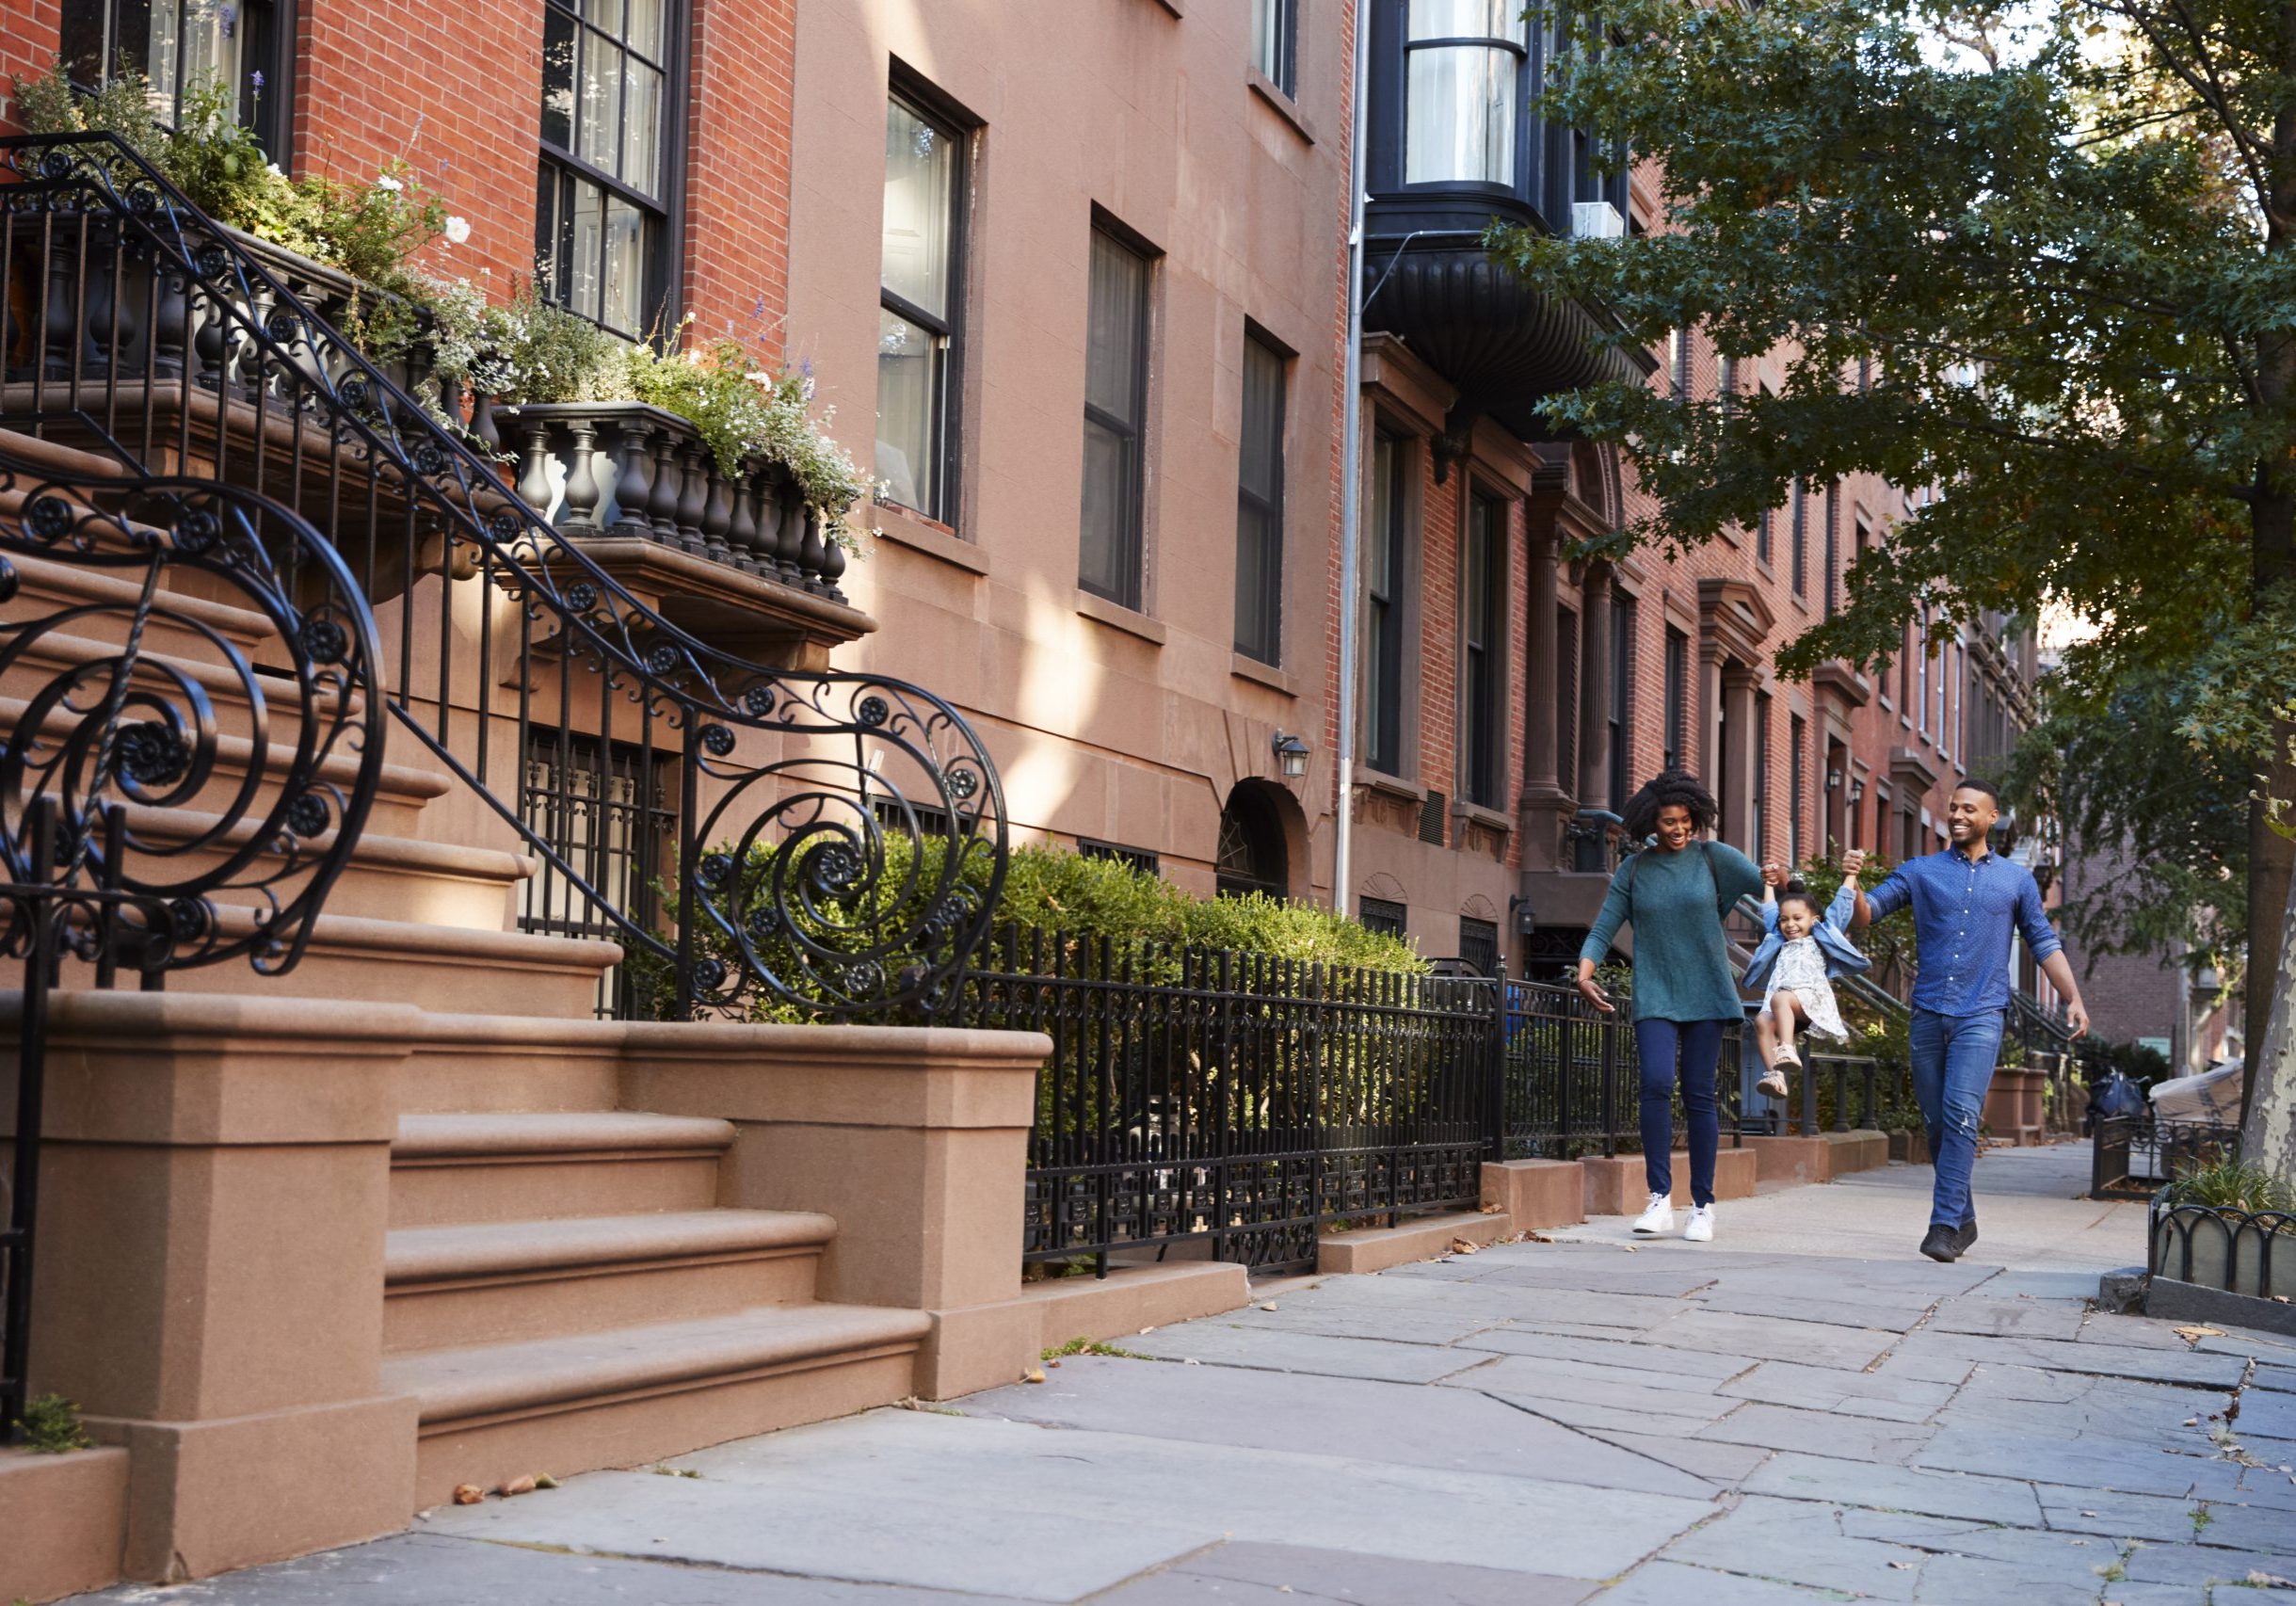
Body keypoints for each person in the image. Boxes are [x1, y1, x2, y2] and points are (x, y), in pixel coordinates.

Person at [1851, 779, 2089, 1262]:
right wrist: (1852, 884)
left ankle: (1942, 1227)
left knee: (1960, 1113)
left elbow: (2043, 942)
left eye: (1969, 810)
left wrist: (2073, 997)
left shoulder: (2016, 881)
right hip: (1927, 1013)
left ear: (1992, 818)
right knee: (1938, 1124)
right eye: (1954, 808)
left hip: (1981, 1013)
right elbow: (1867, 916)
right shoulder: (1921, 872)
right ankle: (1965, 1218)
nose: (1958, 816)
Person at [1576, 768, 1765, 1244]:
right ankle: (1659, 1198)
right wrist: (1585, 970)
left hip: (1708, 991)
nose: (1678, 829)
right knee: (1656, 1084)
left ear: (1695, 817)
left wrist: (1785, 884)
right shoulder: (1634, 869)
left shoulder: (1713, 858)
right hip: (1657, 990)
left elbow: (1768, 889)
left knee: (1700, 1095)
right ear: (1650, 824)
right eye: (1667, 822)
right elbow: (1604, 926)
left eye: (1685, 820)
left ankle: (1702, 1205)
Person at [1744, 853, 1872, 1100]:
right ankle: (1776, 1077)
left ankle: (1787, 1049)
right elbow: (1769, 910)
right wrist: (1769, 886)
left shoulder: (1820, 935)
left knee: (1780, 999)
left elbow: (1842, 906)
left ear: (1814, 920)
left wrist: (1851, 876)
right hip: (1784, 1007)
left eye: (1797, 918)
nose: (1789, 924)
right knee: (1761, 1021)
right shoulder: (1778, 939)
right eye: (1785, 920)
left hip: (1809, 1000)